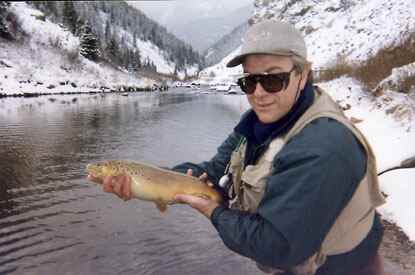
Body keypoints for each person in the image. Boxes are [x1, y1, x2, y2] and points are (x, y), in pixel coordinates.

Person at [88, 20, 387, 275]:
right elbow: (213, 170)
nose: (258, 94)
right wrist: (147, 181)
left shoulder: (323, 147)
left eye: (274, 80)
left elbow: (277, 247)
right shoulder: (259, 122)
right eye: (250, 81)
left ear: (303, 75)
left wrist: (214, 211)